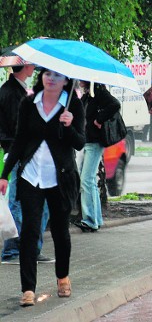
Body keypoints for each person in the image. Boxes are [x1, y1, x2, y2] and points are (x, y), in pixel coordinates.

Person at [0, 68, 85, 306]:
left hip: (60, 178)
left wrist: (69, 126)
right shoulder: (29, 103)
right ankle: (28, 289)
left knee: (60, 231)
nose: (50, 78)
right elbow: (19, 140)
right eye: (47, 73)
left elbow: (80, 142)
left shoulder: (72, 106)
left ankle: (62, 277)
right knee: (29, 230)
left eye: (57, 75)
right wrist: (4, 174)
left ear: (66, 80)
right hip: (31, 176)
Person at [0, 64, 54, 265]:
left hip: (18, 152)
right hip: (20, 153)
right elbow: (19, 128)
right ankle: (16, 250)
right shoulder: (13, 93)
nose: (35, 67)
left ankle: (23, 249)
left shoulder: (14, 90)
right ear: (25, 67)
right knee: (19, 202)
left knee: (25, 202)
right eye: (31, 64)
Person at [75, 81, 120, 232]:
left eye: (81, 78)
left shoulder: (98, 92)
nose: (79, 81)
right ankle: (96, 219)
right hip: (88, 141)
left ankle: (89, 220)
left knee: (86, 180)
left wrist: (99, 119)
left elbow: (115, 104)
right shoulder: (87, 95)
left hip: (95, 141)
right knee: (90, 181)